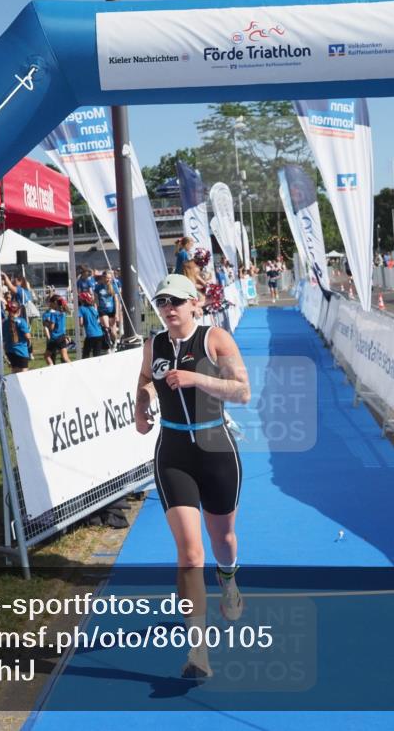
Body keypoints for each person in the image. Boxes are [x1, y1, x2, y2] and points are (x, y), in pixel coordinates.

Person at [134, 274, 251, 680]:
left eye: (176, 302)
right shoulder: (155, 345)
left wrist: (196, 377)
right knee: (189, 555)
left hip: (217, 449)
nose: (168, 309)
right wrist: (142, 404)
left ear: (193, 305)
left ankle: (230, 579)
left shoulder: (214, 339)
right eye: (162, 302)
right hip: (173, 452)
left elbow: (243, 391)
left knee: (223, 540)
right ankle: (197, 652)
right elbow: (147, 378)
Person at [95, 269, 123, 348]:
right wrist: (96, 310)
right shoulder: (98, 287)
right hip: (102, 310)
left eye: (109, 278)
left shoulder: (114, 286)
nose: (108, 279)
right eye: (107, 278)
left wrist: (117, 313)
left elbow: (116, 300)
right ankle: (109, 344)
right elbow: (96, 300)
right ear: (103, 278)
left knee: (113, 331)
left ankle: (115, 343)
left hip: (112, 311)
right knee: (107, 329)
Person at [43, 295, 72, 365]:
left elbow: (52, 327)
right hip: (62, 337)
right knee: (65, 357)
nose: (50, 305)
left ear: (55, 303)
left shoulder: (53, 314)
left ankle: (52, 369)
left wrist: (47, 323)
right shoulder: (63, 313)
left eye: (51, 303)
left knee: (47, 356)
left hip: (54, 338)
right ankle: (72, 368)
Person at [78, 290, 106, 358]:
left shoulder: (81, 309)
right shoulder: (93, 308)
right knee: (97, 355)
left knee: (85, 355)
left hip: (90, 335)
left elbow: (81, 323)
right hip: (99, 333)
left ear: (82, 300)